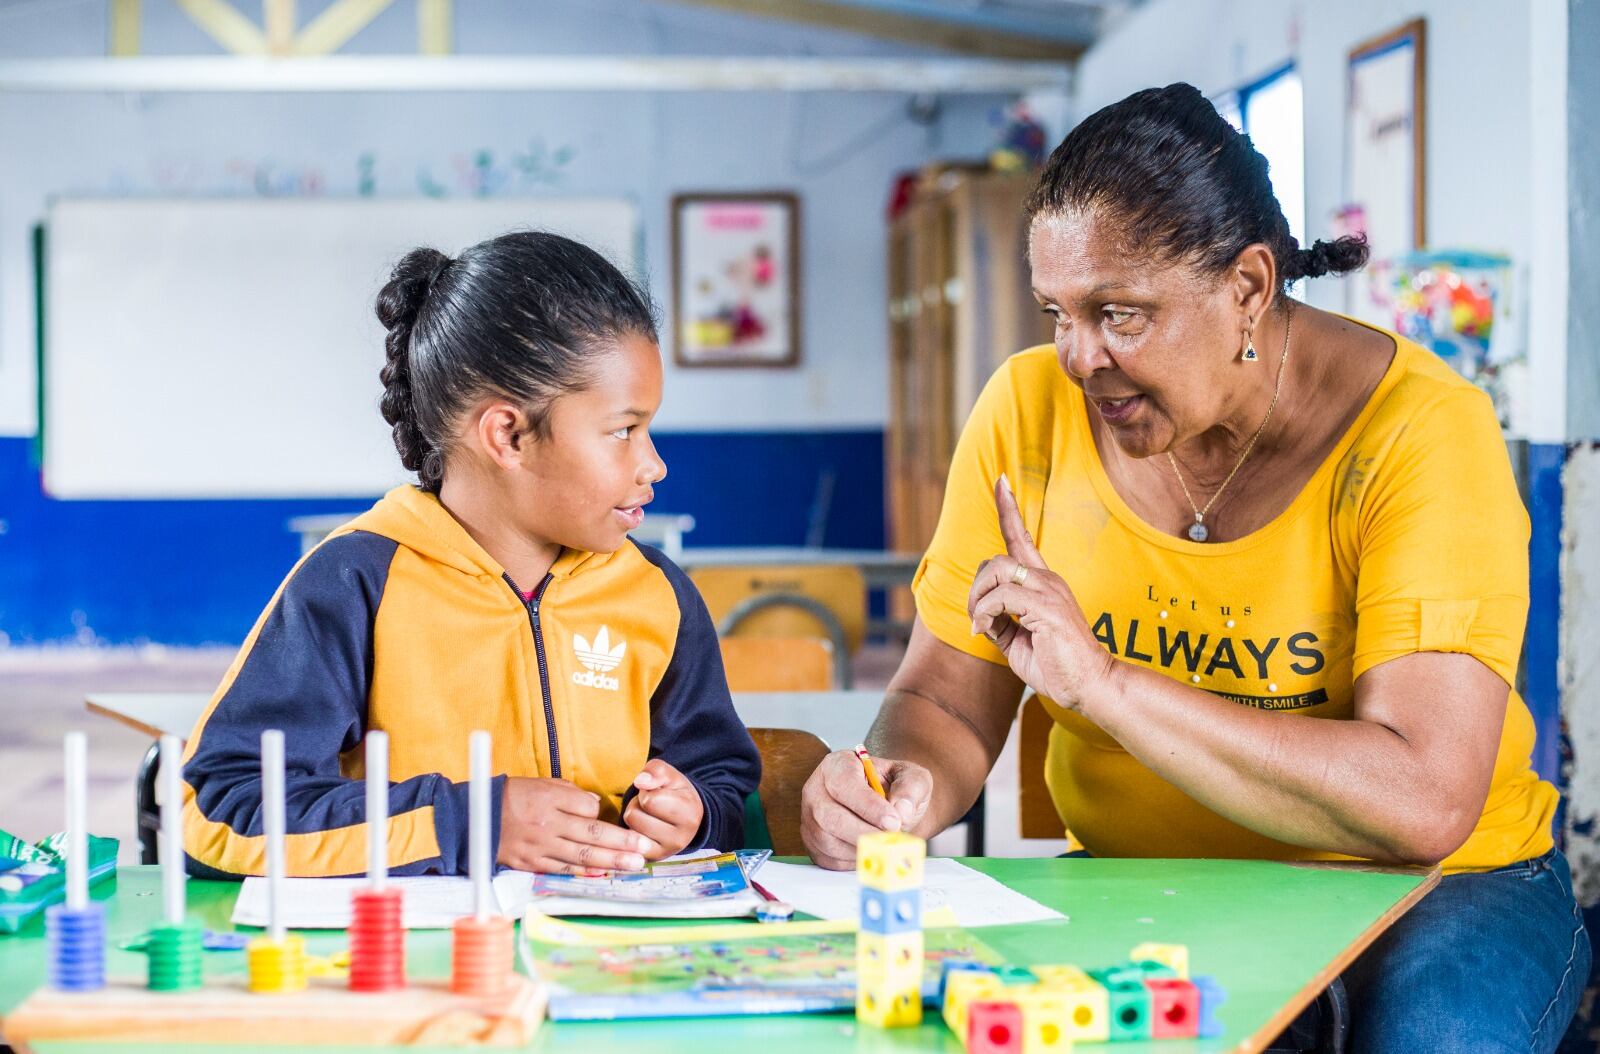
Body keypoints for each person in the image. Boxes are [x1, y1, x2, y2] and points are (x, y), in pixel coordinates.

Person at [800, 83, 1586, 1051]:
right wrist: (900, 788)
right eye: (1057, 311)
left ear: (1248, 287)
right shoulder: (1025, 408)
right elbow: (948, 701)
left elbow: (1421, 802)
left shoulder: (1422, 434)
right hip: (1144, 879)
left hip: (1438, 889)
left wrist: (1107, 685)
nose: (1079, 358)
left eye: (1119, 315)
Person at [184, 231, 760, 879]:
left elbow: (723, 779)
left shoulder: (656, 593)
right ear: (509, 434)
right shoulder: (356, 584)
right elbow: (222, 813)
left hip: (605, 960)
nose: (653, 464)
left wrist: (696, 812)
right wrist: (466, 824)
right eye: (623, 430)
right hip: (412, 965)